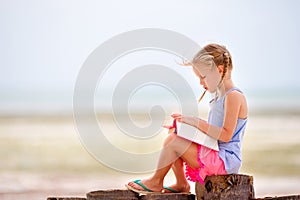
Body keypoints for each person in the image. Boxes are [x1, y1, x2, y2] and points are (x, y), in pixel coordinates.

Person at [126, 43, 248, 194]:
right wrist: (186, 128)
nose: (201, 82)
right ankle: (181, 184)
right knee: (173, 135)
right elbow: (214, 135)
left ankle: (156, 181)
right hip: (216, 153)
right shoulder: (220, 97)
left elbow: (226, 135)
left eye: (203, 77)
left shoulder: (233, 96)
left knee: (173, 143)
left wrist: (196, 123)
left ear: (220, 70)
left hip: (225, 161)